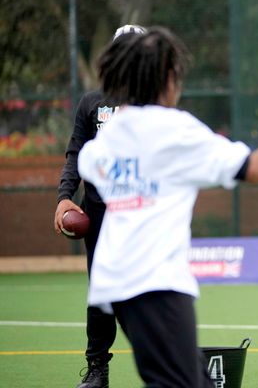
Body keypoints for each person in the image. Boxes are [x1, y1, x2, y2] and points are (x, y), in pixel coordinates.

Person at [77, 27, 258, 386]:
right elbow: (256, 168)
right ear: (167, 78)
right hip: (155, 283)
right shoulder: (175, 130)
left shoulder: (110, 135)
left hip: (116, 284)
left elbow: (89, 163)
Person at [54, 24, 146, 388]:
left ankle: (166, 365)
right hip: (98, 214)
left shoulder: (155, 104)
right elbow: (76, 152)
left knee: (146, 294)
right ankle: (97, 368)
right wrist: (64, 197)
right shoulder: (92, 102)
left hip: (141, 215)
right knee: (101, 293)